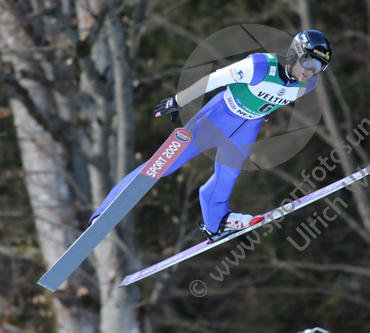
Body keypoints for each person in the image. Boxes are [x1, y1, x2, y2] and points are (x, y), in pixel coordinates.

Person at [89, 29, 332, 241]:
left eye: (320, 67)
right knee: (165, 163)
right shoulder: (258, 66)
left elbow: (276, 98)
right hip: (218, 117)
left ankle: (216, 223)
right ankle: (105, 211)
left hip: (247, 129)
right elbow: (211, 80)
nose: (311, 71)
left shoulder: (307, 85)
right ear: (294, 54)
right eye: (309, 63)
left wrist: (264, 111)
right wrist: (177, 101)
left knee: (228, 175)